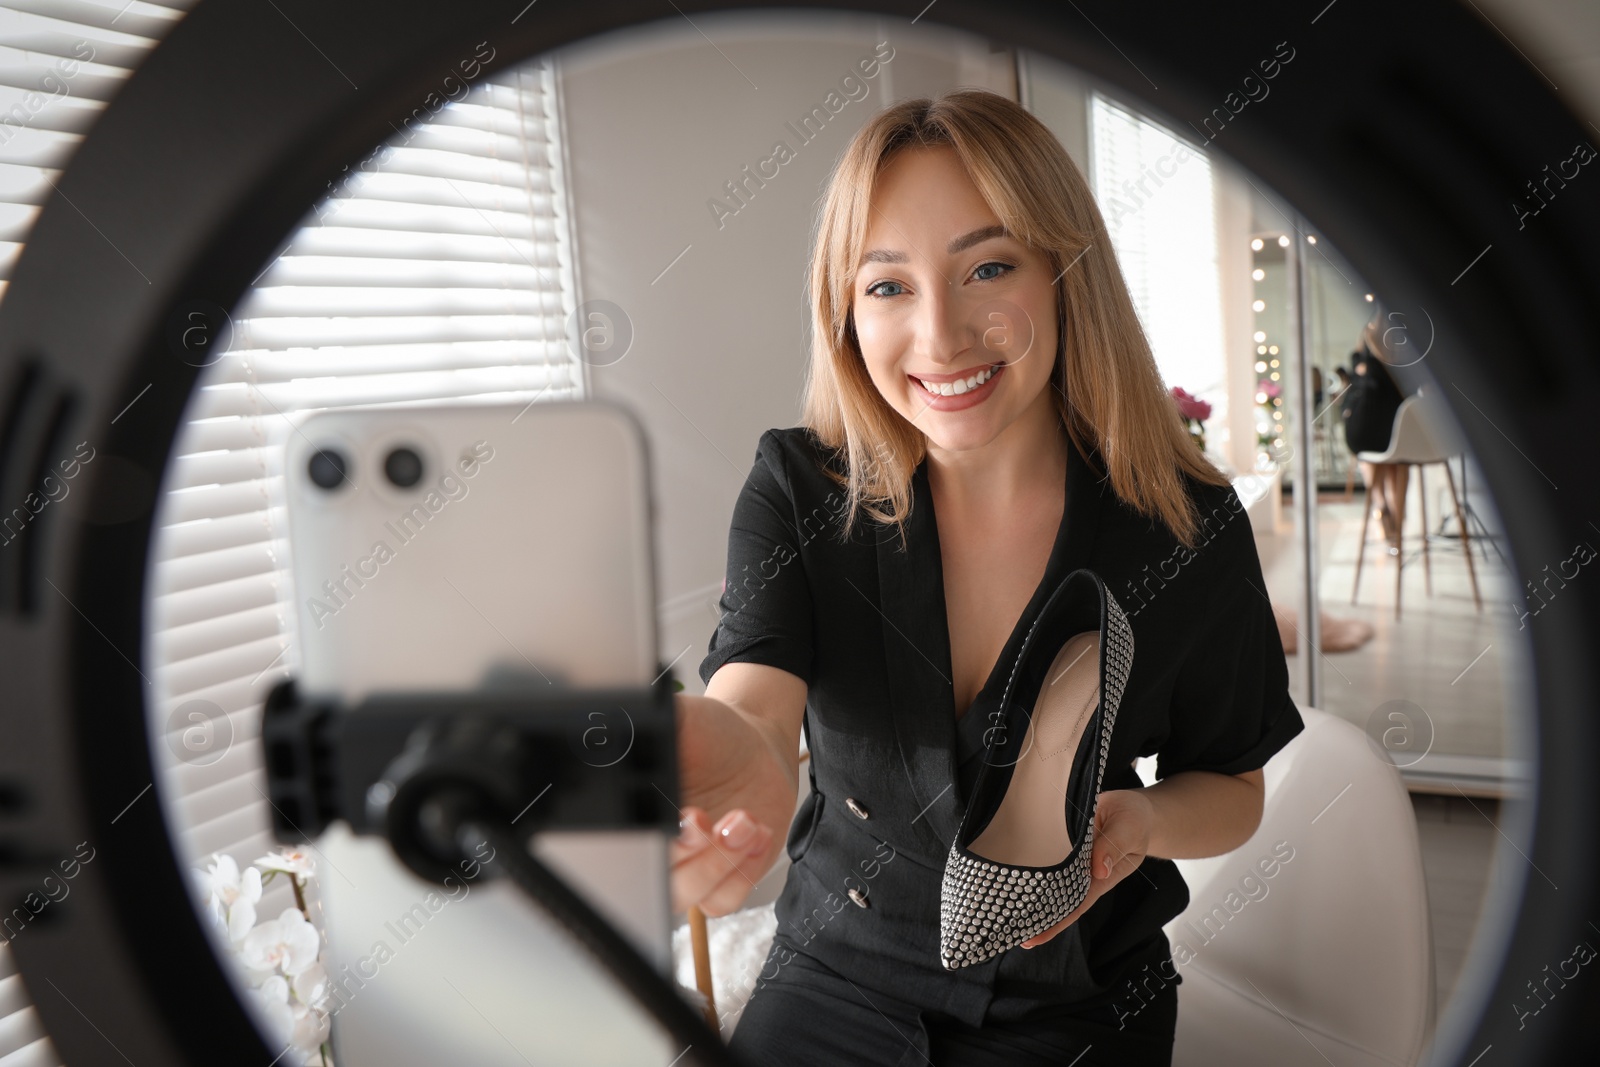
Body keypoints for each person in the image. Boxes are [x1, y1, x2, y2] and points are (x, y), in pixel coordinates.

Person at [671, 88, 1303, 1066]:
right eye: (887, 286)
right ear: (844, 310)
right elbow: (753, 696)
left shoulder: (1181, 521)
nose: (940, 336)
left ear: (1063, 275)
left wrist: (1138, 819)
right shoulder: (800, 487)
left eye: (988, 267)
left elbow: (1232, 784)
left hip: (1076, 999)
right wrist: (735, 754)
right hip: (835, 968)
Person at [1340, 319, 1408, 550]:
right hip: (1393, 426)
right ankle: (1395, 523)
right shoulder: (1403, 357)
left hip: (1364, 428)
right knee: (1395, 464)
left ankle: (1381, 507)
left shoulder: (1363, 357)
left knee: (1371, 457)